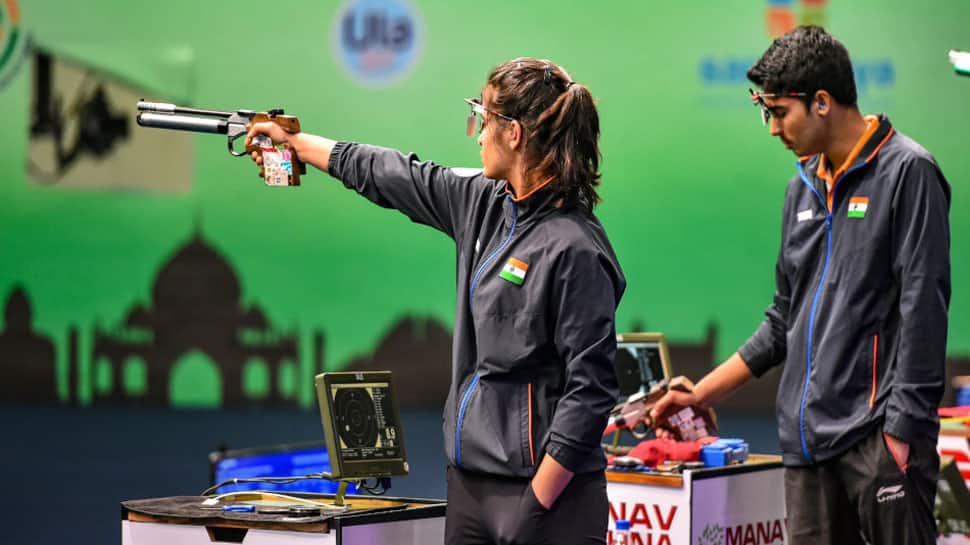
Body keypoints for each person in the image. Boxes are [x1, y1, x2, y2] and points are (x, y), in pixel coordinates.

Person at [247, 58, 625, 545]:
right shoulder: (483, 200)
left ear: (514, 134)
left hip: (551, 500)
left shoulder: (575, 248)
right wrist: (295, 143)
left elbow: (590, 393)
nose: (477, 134)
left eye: (482, 117)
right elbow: (392, 173)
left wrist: (535, 506)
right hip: (470, 487)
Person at [651, 26, 951, 545]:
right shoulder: (800, 188)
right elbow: (781, 322)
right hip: (807, 454)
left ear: (821, 102)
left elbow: (924, 310)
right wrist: (698, 395)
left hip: (879, 446)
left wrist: (901, 434)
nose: (770, 127)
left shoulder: (909, 172)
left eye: (776, 111)